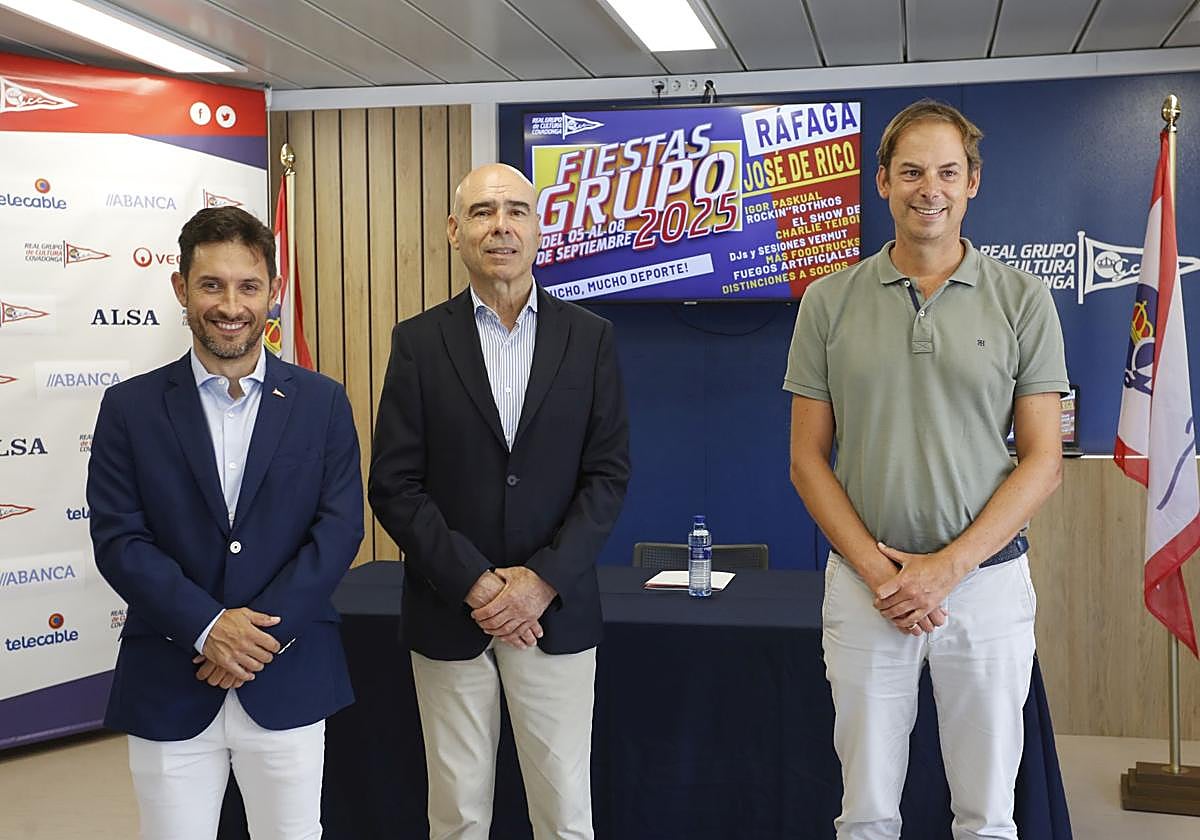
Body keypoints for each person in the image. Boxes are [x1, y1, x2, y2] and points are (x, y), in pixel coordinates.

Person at [784, 100, 1068, 839]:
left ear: (972, 182)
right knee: (867, 813)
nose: (928, 188)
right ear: (882, 182)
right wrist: (885, 578)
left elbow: (1041, 462)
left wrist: (945, 570)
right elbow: (808, 461)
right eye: (910, 171)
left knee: (985, 816)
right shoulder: (827, 302)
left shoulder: (1023, 300)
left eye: (947, 171)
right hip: (864, 591)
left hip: (987, 589)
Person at [369, 163, 630, 840]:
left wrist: (540, 581)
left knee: (566, 812)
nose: (502, 226)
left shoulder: (590, 338)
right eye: (484, 212)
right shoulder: (418, 344)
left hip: (557, 614)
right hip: (448, 612)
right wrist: (478, 584)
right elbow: (394, 484)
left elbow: (607, 476)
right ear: (455, 232)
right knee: (457, 814)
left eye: (517, 210)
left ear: (539, 228)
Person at [87, 206, 363, 840]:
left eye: (249, 286)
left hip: (288, 672)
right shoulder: (129, 408)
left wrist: (250, 639)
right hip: (169, 676)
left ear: (274, 290)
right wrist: (208, 628)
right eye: (211, 285)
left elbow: (339, 528)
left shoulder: (322, 402)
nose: (231, 305)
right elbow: (120, 539)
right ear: (182, 289)